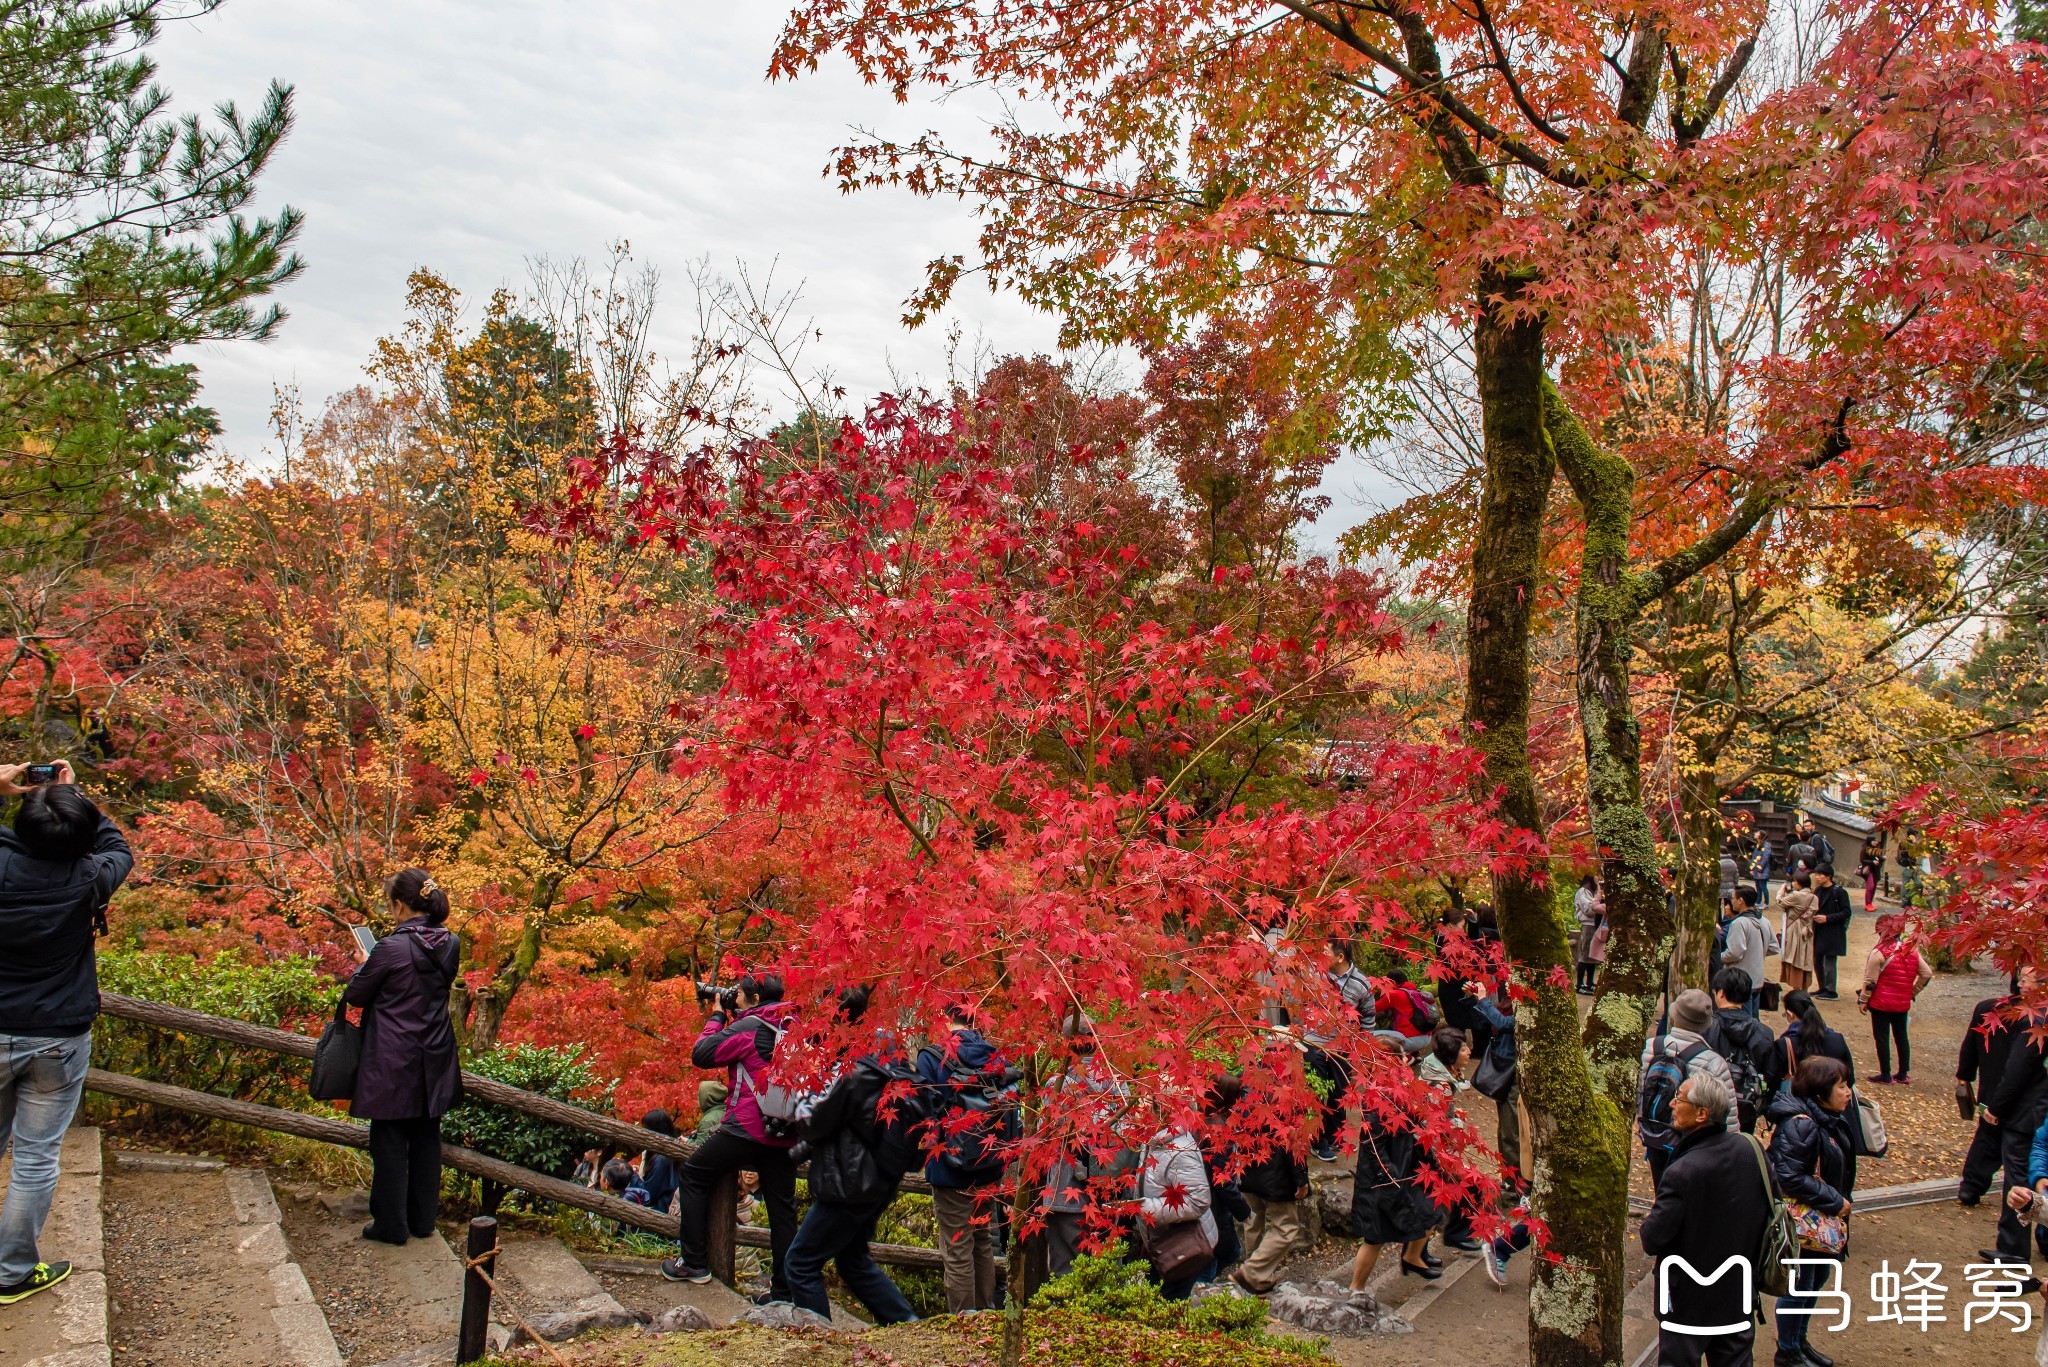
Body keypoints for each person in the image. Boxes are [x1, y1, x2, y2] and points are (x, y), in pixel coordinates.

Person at [0, 764, 133, 1305]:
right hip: (57, 1035)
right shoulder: (92, 877)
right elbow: (116, 844)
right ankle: (10, 1273)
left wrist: (28, 793)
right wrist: (70, 796)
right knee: (34, 1157)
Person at [783, 986, 923, 1325]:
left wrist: (799, 1104)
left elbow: (817, 1122)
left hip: (849, 1182)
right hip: (877, 1177)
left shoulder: (854, 1073)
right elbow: (850, 1124)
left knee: (800, 1262)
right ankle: (906, 1324)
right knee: (852, 1260)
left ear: (838, 1017)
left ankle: (820, 1337)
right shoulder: (885, 1057)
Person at [344, 869, 461, 1246]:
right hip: (435, 1051)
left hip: (394, 1055)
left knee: (389, 1140)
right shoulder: (450, 942)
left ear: (398, 905)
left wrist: (365, 960)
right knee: (427, 1137)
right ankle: (422, 1220)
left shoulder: (391, 947)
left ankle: (391, 1225)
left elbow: (357, 995)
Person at [666, 974, 799, 1294]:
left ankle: (694, 1262)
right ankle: (786, 1289)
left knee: (695, 1175)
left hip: (747, 1126)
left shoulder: (749, 1027)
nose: (733, 998)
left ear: (754, 999)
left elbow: (702, 1054)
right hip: (783, 1129)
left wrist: (716, 1016)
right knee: (782, 1210)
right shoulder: (794, 1026)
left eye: (737, 994)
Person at [1640, 1074, 1771, 1367]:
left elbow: (1651, 1238)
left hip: (1687, 1303)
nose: (1672, 1104)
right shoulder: (1751, 1151)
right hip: (1738, 1293)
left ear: (1702, 1114)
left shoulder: (1682, 1171)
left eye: (1681, 1098)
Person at [916, 1007, 1014, 1313]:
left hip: (950, 1166)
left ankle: (963, 1323)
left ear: (946, 1018)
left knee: (957, 1248)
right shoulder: (994, 1055)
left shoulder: (932, 1057)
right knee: (982, 1240)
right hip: (988, 1165)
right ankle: (985, 1313)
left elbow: (924, 1112)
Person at [1767, 1057, 1857, 1367]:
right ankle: (1788, 1350)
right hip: (1804, 1224)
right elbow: (1788, 1175)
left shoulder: (1826, 1118)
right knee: (1799, 1285)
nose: (1848, 1092)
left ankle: (1799, 1342)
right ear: (1820, 1091)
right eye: (1842, 1086)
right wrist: (1834, 1199)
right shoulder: (1803, 1123)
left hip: (1820, 1221)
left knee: (1816, 1278)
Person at [1639, 990, 1738, 1189]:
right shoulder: (1713, 1061)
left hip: (1653, 1132)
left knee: (1662, 1187)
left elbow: (1641, 1086)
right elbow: (1728, 1113)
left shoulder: (1651, 1047)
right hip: (1689, 1140)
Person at [1980, 993, 2048, 1270]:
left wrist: (1997, 1106)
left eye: (2028, 979)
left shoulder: (2038, 1022)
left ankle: (2014, 1248)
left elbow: (2017, 1069)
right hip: (2036, 1111)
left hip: (2026, 1113)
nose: (2021, 983)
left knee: (2018, 1178)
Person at [1227, 1085, 1310, 1295]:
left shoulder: (1246, 1089)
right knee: (1286, 1226)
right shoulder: (1288, 1096)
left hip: (1248, 1170)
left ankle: (1255, 1276)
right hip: (1275, 1175)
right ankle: (1253, 1272)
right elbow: (1295, 1143)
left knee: (1253, 1221)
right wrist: (1301, 1179)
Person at [1136, 1127, 1216, 1300]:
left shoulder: (1180, 1150)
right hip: (1162, 1243)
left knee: (1169, 1306)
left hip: (1184, 1248)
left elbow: (1197, 1201)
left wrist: (1145, 1208)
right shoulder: (1153, 1141)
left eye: (1145, 1100)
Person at [1855, 915, 1932, 1085]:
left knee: (1882, 1037)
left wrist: (1863, 1000)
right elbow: (1927, 974)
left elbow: (1870, 981)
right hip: (1902, 1003)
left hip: (1881, 1003)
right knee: (1901, 1036)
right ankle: (1903, 1073)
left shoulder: (1879, 952)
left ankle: (1885, 1074)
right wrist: (1912, 992)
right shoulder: (1911, 950)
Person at [1705, 969, 1775, 1134]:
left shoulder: (1706, 1028)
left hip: (1710, 1101)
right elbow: (1771, 1073)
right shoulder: (1764, 1033)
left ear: (1720, 993)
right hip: (1747, 1105)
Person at [1763, 989, 1855, 1097]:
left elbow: (1774, 1083)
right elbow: (1850, 1079)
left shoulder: (1785, 1044)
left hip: (1798, 1104)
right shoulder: (1837, 1039)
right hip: (1831, 1102)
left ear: (1790, 1014)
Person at [1717, 889, 1772, 1018]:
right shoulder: (1763, 921)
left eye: (1733, 898)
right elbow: (1773, 947)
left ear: (1741, 900)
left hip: (1741, 980)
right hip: (1758, 978)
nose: (1731, 902)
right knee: (1754, 1018)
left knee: (1744, 1019)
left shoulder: (1739, 923)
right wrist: (1757, 953)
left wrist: (1717, 958)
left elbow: (1735, 953)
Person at [1807, 865, 1851, 1000]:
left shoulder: (1839, 892)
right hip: (1819, 930)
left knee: (1829, 961)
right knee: (1818, 959)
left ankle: (1831, 990)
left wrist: (1827, 918)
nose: (1817, 877)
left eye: (1820, 875)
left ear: (1828, 876)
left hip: (1833, 931)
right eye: (1816, 874)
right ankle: (1822, 987)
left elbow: (1846, 912)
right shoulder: (1818, 890)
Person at [1771, 873, 1818, 993]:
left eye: (1794, 881)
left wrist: (1781, 891)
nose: (1792, 883)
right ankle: (1803, 990)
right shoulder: (1814, 897)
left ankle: (1797, 992)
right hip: (1807, 930)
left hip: (1795, 930)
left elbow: (1780, 902)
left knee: (1794, 957)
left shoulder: (1797, 895)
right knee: (1804, 960)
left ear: (1799, 883)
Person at [634, 1109, 681, 1216]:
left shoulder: (661, 1159)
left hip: (660, 1212)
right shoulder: (672, 1152)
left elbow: (648, 1193)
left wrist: (633, 1176)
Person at [1573, 875, 1603, 995]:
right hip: (1587, 925)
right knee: (1585, 954)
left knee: (1593, 955)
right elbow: (1589, 910)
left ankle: (1590, 982)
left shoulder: (1595, 892)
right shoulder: (1583, 892)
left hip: (1596, 925)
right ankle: (1580, 983)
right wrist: (1597, 899)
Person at [1858, 830, 1886, 913]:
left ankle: (1870, 902)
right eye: (1874, 841)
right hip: (1868, 870)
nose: (1876, 842)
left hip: (1875, 870)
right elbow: (1862, 860)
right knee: (1870, 886)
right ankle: (1867, 904)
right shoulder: (1865, 849)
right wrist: (1872, 862)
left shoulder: (1876, 850)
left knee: (1874, 887)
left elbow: (1878, 859)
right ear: (1870, 841)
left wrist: (1882, 859)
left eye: (1877, 841)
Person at [1751, 835, 1774, 907]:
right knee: (1758, 886)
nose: (1755, 834)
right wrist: (1752, 868)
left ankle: (1766, 903)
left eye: (1758, 833)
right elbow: (1754, 857)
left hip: (1763, 869)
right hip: (1757, 867)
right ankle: (1758, 901)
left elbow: (1765, 858)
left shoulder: (1766, 846)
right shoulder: (1758, 845)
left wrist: (1760, 869)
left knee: (1763, 886)